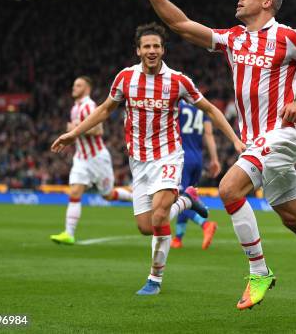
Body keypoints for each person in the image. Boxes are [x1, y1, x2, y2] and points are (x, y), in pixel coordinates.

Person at [124, 0, 296, 314]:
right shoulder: (233, 39)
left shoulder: (288, 37)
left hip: (282, 134)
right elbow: (180, 25)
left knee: (229, 189)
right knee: (293, 217)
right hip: (255, 143)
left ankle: (259, 272)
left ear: (267, 2)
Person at [51, 23, 245, 295]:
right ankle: (188, 198)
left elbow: (210, 109)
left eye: (156, 46)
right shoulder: (125, 79)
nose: (152, 51)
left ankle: (155, 278)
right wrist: (73, 135)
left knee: (159, 216)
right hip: (139, 161)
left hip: (168, 155)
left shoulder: (178, 81)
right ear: (138, 50)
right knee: (146, 226)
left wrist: (235, 139)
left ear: (163, 50)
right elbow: (106, 110)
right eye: (147, 46)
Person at [50, 76, 133, 245]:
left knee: (108, 195)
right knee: (74, 192)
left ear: (87, 88)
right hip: (81, 158)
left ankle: (135, 197)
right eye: (74, 84)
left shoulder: (89, 105)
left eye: (78, 85)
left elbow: (98, 130)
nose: (74, 88)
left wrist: (75, 129)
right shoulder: (75, 108)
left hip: (97, 158)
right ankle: (68, 233)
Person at [171, 100, 219, 250]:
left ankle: (205, 224)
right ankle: (178, 239)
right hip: (198, 158)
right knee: (187, 197)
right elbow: (209, 134)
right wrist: (214, 159)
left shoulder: (176, 106)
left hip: (182, 157)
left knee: (180, 198)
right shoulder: (201, 109)